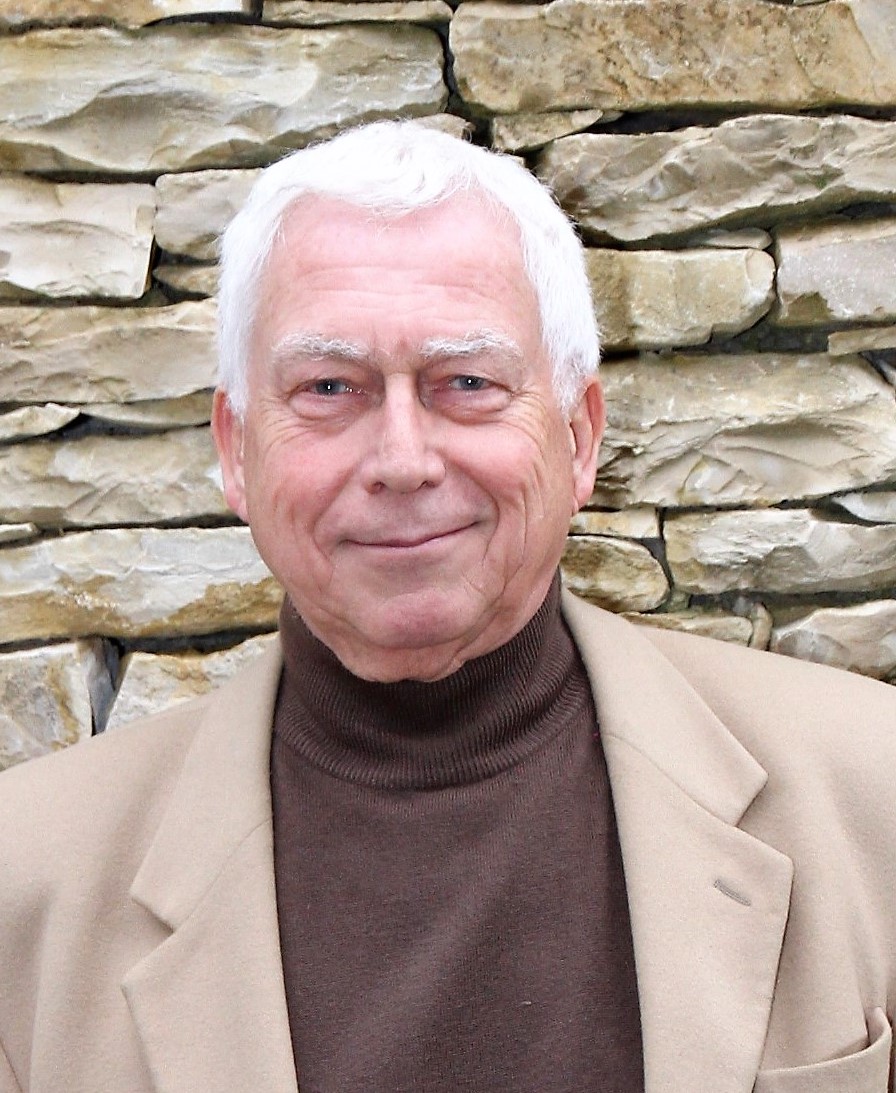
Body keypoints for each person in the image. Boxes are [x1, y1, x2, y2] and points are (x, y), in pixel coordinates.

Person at [1, 121, 895, 1093]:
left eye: (466, 382)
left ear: (579, 437)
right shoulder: (28, 885)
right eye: (329, 386)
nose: (402, 459)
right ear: (235, 448)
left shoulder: (869, 797)